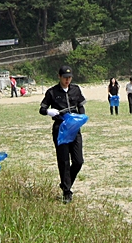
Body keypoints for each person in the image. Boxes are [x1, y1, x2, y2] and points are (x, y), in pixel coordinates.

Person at [39, 66, 86, 203]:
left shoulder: (76, 89)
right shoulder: (52, 92)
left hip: (74, 128)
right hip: (60, 129)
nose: (67, 80)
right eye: (65, 77)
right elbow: (42, 109)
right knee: (64, 161)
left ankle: (66, 182)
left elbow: (80, 105)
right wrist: (48, 111)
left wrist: (81, 117)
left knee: (78, 161)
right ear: (59, 76)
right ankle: (67, 191)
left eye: (69, 77)